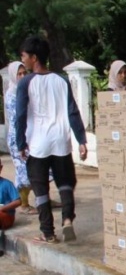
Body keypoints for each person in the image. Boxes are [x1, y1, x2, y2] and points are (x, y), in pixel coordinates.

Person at [15, 35, 88, 243]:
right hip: (60, 140)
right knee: (65, 182)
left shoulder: (26, 83)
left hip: (37, 142)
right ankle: (67, 219)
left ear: (34, 58)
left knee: (40, 187)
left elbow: (20, 116)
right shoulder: (62, 81)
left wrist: (21, 143)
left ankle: (48, 232)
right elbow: (73, 112)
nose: (23, 60)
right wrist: (81, 140)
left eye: (24, 56)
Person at [4, 61, 36, 215]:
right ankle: (23, 204)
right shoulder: (12, 94)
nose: (23, 76)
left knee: (41, 168)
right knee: (24, 171)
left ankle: (44, 199)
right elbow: (18, 118)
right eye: (19, 74)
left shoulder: (27, 90)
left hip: (30, 134)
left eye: (24, 73)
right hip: (18, 137)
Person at [0, 160, 21, 229]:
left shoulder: (7, 184)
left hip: (5, 214)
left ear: (1, 168)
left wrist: (3, 208)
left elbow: (18, 201)